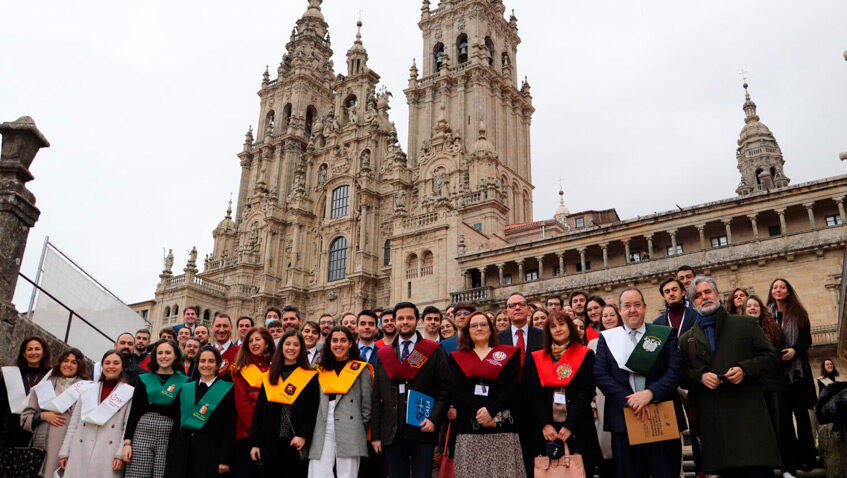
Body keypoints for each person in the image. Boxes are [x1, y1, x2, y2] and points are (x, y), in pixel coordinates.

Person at [680, 277, 780, 477]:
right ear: (692, 303)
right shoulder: (686, 339)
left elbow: (770, 358)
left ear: (717, 295)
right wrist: (701, 377)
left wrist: (744, 370)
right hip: (717, 430)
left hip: (750, 422)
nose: (704, 297)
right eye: (698, 296)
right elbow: (681, 375)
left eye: (708, 292)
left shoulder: (746, 324)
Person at [593, 287, 685, 478]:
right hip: (624, 421)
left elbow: (675, 371)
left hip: (661, 416)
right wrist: (631, 400)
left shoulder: (664, 334)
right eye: (627, 306)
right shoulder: (607, 339)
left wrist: (650, 394)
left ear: (644, 307)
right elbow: (601, 375)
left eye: (636, 305)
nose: (632, 310)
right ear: (620, 310)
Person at [371, 302, 451, 478]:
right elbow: (376, 398)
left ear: (417, 321)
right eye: (400, 318)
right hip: (392, 431)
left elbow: (444, 390)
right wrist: (376, 435)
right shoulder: (384, 354)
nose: (404, 322)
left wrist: (434, 420)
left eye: (409, 318)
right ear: (395, 321)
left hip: (423, 428)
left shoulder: (433, 350)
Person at [448, 312, 525, 477]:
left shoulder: (508, 354)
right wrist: (480, 413)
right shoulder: (457, 357)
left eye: (484, 324)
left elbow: (512, 387)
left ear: (491, 329)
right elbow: (457, 389)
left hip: (502, 426)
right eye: (474, 325)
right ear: (467, 331)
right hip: (470, 428)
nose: (479, 328)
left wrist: (491, 411)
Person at [526, 311, 601, 474]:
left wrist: (569, 425)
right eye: (552, 326)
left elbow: (587, 390)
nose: (557, 329)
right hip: (547, 429)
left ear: (570, 327)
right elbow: (533, 393)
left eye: (561, 324)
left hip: (578, 424)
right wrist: (545, 423)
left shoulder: (585, 354)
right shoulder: (536, 357)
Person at [250, 331, 319, 478]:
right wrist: (255, 442)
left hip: (295, 441)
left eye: (296, 344)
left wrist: (303, 435)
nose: (291, 348)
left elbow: (313, 410)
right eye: (287, 344)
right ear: (281, 347)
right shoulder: (270, 376)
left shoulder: (311, 376)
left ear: (301, 349)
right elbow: (259, 411)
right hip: (270, 441)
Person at [766, 278, 819, 471]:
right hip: (777, 373)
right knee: (784, 419)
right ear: (771, 291)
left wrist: (795, 350)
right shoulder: (767, 315)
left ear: (788, 291)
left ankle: (808, 457)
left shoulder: (799, 313)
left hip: (797, 372)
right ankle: (792, 459)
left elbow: (807, 339)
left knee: (802, 416)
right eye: (775, 287)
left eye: (782, 287)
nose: (778, 290)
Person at [744, 294, 799, 477]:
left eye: (755, 305)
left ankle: (787, 468)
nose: (752, 308)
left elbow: (780, 353)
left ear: (761, 309)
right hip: (753, 386)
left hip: (774, 382)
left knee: (780, 426)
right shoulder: (740, 331)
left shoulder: (773, 329)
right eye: (748, 306)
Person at [308, 326, 373, 478]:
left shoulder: (361, 369)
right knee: (319, 472)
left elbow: (367, 405)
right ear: (329, 344)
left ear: (350, 343)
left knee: (347, 474)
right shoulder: (320, 368)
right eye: (334, 341)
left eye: (343, 340)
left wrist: (358, 427)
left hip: (351, 425)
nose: (339, 344)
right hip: (323, 424)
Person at [58, 350, 134, 478]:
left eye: (116, 363)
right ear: (102, 366)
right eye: (107, 363)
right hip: (80, 448)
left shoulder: (128, 392)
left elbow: (126, 426)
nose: (111, 366)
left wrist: (119, 454)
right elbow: (74, 423)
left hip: (108, 451)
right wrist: (64, 452)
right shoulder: (88, 389)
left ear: (122, 367)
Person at [165, 345, 236, 478]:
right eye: (202, 361)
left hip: (210, 451)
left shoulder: (227, 389)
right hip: (182, 450)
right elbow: (177, 422)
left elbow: (229, 426)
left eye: (211, 361)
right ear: (197, 364)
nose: (206, 365)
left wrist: (224, 459)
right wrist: (171, 452)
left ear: (217, 366)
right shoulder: (186, 388)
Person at [122, 339, 186, 478]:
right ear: (155, 356)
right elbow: (134, 412)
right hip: (142, 434)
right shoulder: (143, 379)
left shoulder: (185, 383)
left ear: (176, 355)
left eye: (168, 352)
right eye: (160, 353)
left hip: (168, 437)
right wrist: (127, 442)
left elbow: (181, 415)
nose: (163, 356)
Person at [21, 348, 89, 477]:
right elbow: (25, 418)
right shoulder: (44, 386)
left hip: (70, 446)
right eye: (65, 361)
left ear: (79, 366)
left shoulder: (87, 388)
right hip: (43, 446)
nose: (68, 365)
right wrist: (43, 416)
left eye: (74, 362)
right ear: (60, 363)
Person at [497, 292, 543, 477]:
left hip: (537, 406)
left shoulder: (542, 336)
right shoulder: (498, 339)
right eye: (512, 305)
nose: (517, 308)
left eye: (521, 304)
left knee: (536, 457)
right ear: (507, 312)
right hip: (509, 407)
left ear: (528, 310)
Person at [231, 327, 274, 478]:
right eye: (250, 341)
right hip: (247, 434)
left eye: (258, 340)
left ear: (267, 343)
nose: (254, 344)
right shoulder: (241, 369)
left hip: (271, 433)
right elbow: (242, 403)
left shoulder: (276, 368)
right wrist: (256, 432)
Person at [1, 335, 52, 450]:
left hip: (34, 428)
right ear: (23, 353)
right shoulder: (11, 374)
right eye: (29, 349)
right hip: (9, 428)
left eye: (37, 349)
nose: (33, 352)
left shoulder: (50, 377)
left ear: (44, 352)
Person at [592, 305, 623, 478]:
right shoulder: (594, 343)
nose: (609, 318)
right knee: (607, 449)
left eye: (612, 315)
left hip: (625, 396)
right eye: (605, 316)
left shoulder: (627, 338)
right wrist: (592, 404)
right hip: (602, 399)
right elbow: (591, 376)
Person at [211, 313, 240, 379]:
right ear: (212, 328)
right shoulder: (204, 352)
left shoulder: (240, 353)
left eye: (225, 326)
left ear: (231, 328)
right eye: (218, 326)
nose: (221, 330)